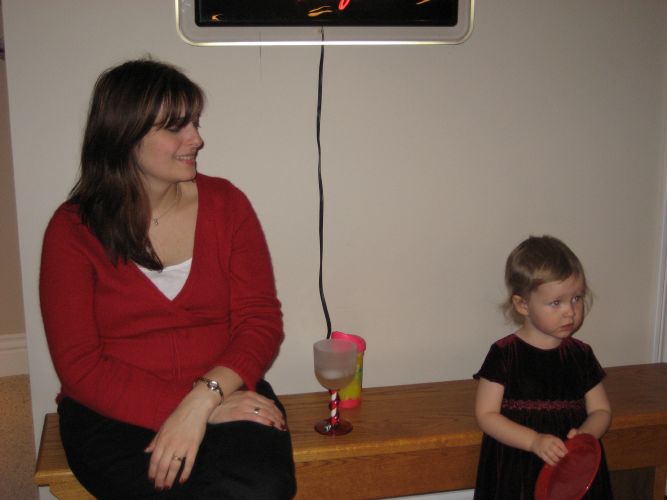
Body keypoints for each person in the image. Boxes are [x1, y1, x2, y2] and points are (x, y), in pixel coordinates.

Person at [39, 58, 296, 499]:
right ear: (124, 136)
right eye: (176, 127)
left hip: (225, 391)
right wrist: (184, 409)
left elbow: (259, 322)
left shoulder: (227, 205)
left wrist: (204, 399)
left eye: (194, 123)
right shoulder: (72, 229)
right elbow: (79, 365)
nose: (196, 139)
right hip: (112, 411)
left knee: (261, 488)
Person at [473, 235, 613, 499]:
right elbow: (486, 415)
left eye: (576, 298)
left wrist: (585, 436)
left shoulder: (580, 355)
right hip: (519, 463)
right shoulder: (504, 354)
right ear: (523, 305)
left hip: (571, 469)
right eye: (556, 303)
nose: (570, 311)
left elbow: (601, 410)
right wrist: (533, 441)